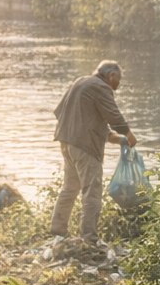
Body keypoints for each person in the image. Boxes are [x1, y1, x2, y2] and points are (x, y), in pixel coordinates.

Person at [50, 60, 136, 240]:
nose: (118, 86)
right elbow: (113, 115)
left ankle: (58, 229)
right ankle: (89, 237)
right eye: (118, 80)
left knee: (70, 187)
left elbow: (64, 113)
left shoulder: (81, 82)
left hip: (67, 142)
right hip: (85, 147)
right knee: (92, 191)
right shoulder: (101, 87)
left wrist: (117, 139)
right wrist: (128, 134)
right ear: (111, 76)